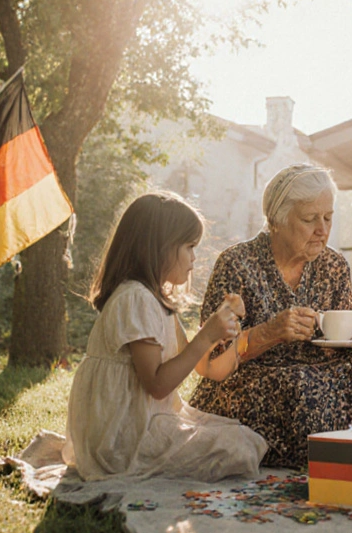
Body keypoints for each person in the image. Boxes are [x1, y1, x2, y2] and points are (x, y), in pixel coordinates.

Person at [188, 164, 352, 467]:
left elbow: (340, 334)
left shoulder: (333, 265)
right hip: (251, 380)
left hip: (319, 374)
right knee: (299, 385)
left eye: (328, 217)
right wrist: (268, 333)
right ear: (277, 221)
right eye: (310, 219)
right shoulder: (237, 263)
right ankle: (325, 458)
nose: (322, 229)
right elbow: (211, 358)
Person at [62, 191, 267, 481]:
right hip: (121, 438)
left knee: (242, 437)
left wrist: (231, 334)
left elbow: (206, 368)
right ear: (159, 248)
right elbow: (157, 385)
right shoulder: (135, 298)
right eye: (189, 247)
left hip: (143, 422)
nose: (194, 257)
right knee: (239, 448)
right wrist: (206, 337)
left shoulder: (157, 301)